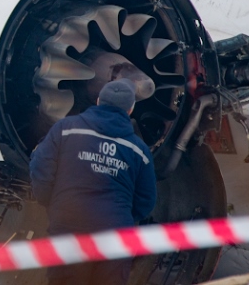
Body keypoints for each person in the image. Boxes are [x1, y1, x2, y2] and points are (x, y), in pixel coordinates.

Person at [29, 79, 157, 285]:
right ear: (130, 109)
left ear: (98, 101)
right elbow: (146, 200)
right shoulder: (139, 150)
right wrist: (119, 216)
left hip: (68, 225)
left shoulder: (65, 129)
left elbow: (40, 168)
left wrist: (52, 203)